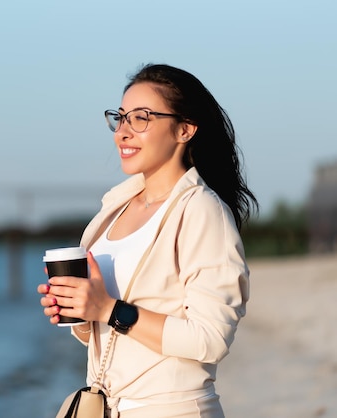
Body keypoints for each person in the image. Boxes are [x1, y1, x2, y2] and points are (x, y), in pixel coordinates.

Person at [38, 63, 258, 418]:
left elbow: (210, 339)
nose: (122, 133)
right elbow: (105, 335)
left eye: (141, 118)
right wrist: (79, 310)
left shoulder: (201, 211)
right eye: (121, 118)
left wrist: (108, 309)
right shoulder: (112, 210)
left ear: (184, 130)